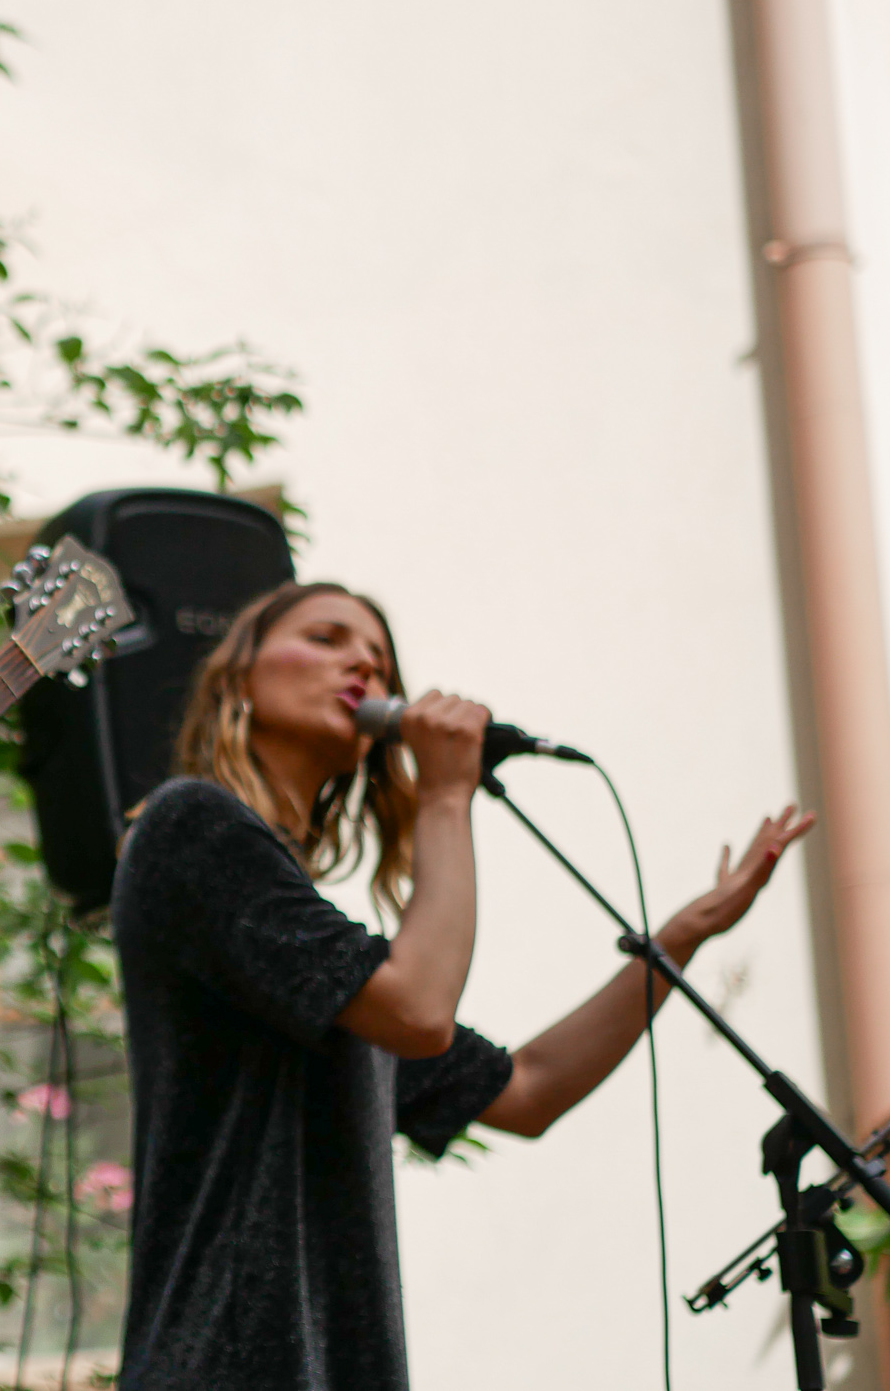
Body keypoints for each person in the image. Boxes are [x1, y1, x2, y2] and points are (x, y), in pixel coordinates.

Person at [111, 580, 813, 1391]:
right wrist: (447, 794)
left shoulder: (317, 957)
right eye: (328, 637)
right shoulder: (189, 825)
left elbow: (529, 1092)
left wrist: (682, 936)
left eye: (378, 657)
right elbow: (419, 1010)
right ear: (238, 677)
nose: (364, 665)